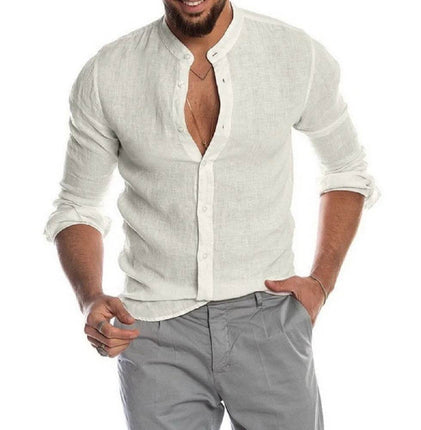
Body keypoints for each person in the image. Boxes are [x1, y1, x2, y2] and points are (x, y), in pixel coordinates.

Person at [43, 0, 380, 428]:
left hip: (268, 315)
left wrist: (321, 282)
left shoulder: (294, 53)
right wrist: (89, 296)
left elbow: (347, 170)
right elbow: (77, 204)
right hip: (153, 329)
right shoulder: (107, 73)